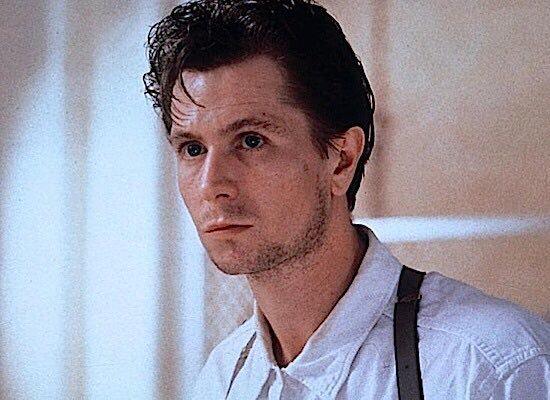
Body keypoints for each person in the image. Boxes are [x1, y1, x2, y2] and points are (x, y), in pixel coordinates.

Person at [143, 1, 550, 398]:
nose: (212, 184)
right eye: (193, 149)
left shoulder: (490, 368)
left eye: (251, 141)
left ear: (341, 160)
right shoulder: (224, 376)